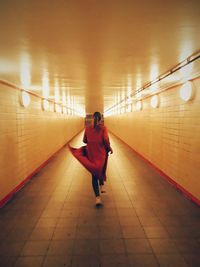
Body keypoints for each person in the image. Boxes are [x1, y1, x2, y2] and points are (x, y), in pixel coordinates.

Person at [68, 111, 113, 206]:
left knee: (94, 175)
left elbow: (84, 140)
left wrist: (91, 141)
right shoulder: (104, 128)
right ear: (101, 119)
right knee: (101, 168)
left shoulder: (87, 129)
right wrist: (109, 148)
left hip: (91, 154)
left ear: (92, 118)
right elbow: (106, 140)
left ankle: (97, 198)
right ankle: (102, 186)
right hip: (101, 154)